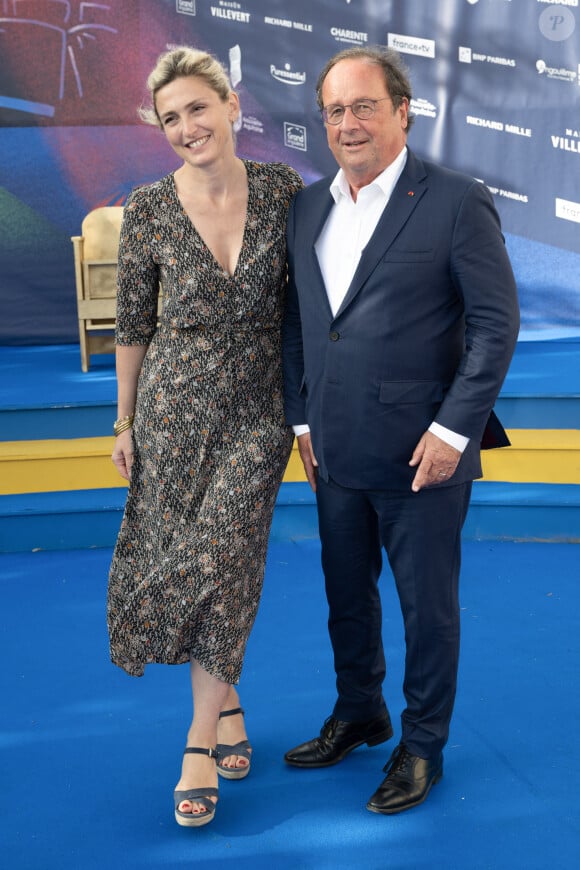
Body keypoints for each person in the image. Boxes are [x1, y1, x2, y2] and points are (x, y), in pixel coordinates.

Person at [282, 46, 519, 815]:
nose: (348, 123)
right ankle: (361, 712)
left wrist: (456, 429)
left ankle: (423, 745)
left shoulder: (455, 200)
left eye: (363, 107)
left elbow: (494, 323)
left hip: (426, 458)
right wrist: (303, 416)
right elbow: (301, 323)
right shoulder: (308, 207)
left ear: (403, 111)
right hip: (336, 448)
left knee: (428, 611)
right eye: (334, 111)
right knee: (345, 596)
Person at [107, 46, 303, 828]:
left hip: (260, 408)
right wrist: (123, 419)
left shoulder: (286, 191)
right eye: (170, 118)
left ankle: (194, 739)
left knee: (224, 550)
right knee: (212, 561)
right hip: (173, 408)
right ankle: (226, 704)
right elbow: (133, 324)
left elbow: (312, 308)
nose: (187, 127)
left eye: (197, 108)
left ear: (232, 104)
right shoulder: (149, 206)